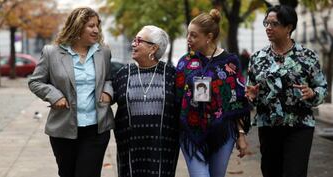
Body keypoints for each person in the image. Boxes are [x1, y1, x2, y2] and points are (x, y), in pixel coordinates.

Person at [28, 7, 114, 177]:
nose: (96, 30)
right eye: (90, 26)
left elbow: (109, 79)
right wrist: (55, 96)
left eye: (97, 25)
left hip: (96, 128)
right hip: (63, 128)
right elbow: (35, 81)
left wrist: (108, 92)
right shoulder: (52, 53)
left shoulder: (103, 52)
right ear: (77, 26)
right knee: (67, 173)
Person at [246, 5, 327, 177]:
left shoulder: (307, 56)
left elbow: (322, 87)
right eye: (266, 23)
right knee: (271, 172)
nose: (268, 28)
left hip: (300, 125)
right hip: (268, 126)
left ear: (288, 27)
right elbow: (250, 91)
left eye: (274, 24)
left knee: (294, 173)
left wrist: (312, 93)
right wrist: (251, 97)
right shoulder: (257, 58)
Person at [175, 9, 250, 177]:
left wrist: (241, 135)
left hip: (222, 132)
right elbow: (176, 99)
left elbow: (236, 102)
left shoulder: (230, 63)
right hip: (191, 132)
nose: (188, 39)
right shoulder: (185, 63)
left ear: (208, 37)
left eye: (194, 35)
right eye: (188, 34)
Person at [112, 25, 179, 177]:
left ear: (153, 48)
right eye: (134, 40)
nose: (133, 44)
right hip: (129, 149)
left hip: (163, 150)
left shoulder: (171, 75)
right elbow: (108, 97)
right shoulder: (123, 73)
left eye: (138, 40)